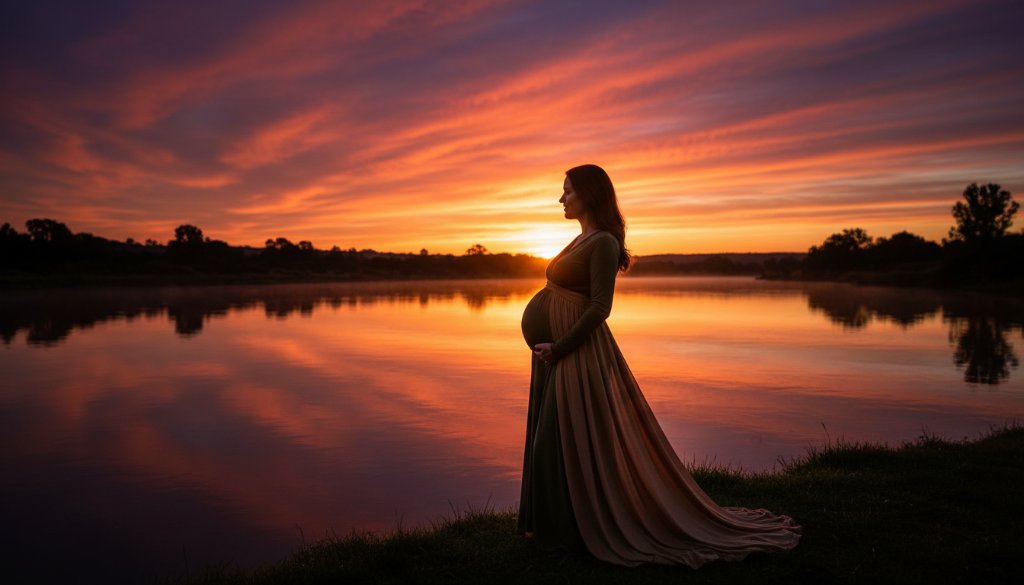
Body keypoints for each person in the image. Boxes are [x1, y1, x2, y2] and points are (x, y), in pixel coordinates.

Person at [518, 164, 801, 567]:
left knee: (557, 439)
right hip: (557, 351)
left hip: (574, 353)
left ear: (589, 195)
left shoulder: (602, 243)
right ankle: (562, 531)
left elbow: (601, 307)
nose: (560, 199)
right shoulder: (580, 238)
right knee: (560, 439)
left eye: (567, 191)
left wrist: (560, 347)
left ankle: (573, 532)